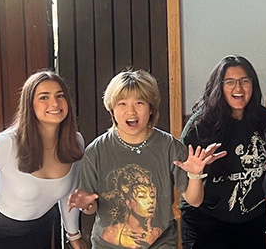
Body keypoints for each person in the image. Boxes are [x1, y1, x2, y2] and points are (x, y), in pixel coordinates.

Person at [68, 69, 225, 249]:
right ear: (112, 108)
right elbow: (91, 207)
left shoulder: (169, 146)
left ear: (151, 108)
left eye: (139, 103)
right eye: (122, 104)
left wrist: (195, 175)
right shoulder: (95, 151)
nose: (131, 111)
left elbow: (194, 200)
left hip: (161, 243)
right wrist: (85, 206)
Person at [0, 70, 85, 249]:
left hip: (38, 231)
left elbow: (69, 195)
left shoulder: (75, 141)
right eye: (44, 97)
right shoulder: (7, 143)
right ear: (29, 104)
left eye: (60, 95)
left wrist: (74, 236)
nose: (54, 103)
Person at [179, 56, 266, 249]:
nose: (238, 88)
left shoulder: (264, 119)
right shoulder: (200, 125)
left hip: (251, 219)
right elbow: (187, 191)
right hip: (206, 220)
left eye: (244, 81)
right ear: (218, 87)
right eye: (229, 82)